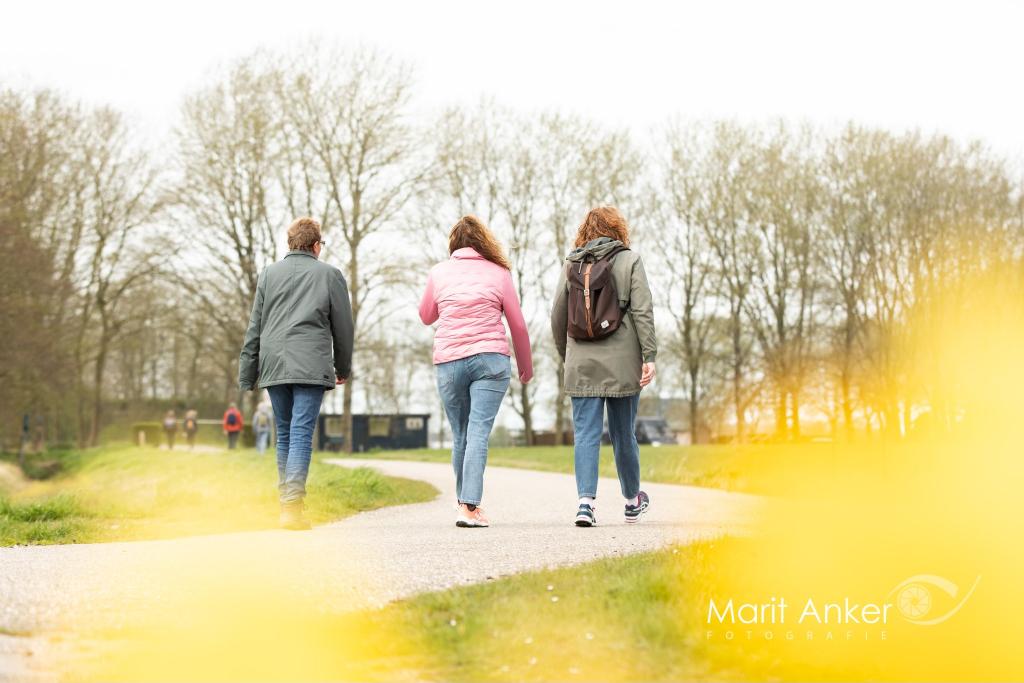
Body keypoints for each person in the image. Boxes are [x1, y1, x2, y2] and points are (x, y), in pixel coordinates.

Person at [239, 217, 354, 530]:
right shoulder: (330, 275)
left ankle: (286, 505)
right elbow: (343, 327)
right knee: (301, 433)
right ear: (316, 245)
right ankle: (292, 508)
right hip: (311, 364)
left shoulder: (268, 274)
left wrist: (247, 372)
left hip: (274, 363)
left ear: (290, 244)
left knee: (285, 434)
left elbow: (255, 326)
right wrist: (342, 367)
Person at [419, 215, 533, 528]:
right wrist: (525, 368)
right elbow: (518, 326)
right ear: (484, 242)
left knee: (461, 435)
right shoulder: (499, 273)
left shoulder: (439, 272)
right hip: (490, 361)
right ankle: (469, 507)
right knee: (478, 432)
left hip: (450, 361)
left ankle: (464, 506)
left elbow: (426, 316)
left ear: (453, 244)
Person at [551, 207, 657, 527]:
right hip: (623, 362)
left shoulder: (571, 263)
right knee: (624, 434)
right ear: (618, 229)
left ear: (585, 231)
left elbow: (557, 315)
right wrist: (649, 356)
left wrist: (567, 356)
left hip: (582, 362)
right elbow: (642, 311)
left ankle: (585, 505)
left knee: (585, 434)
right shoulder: (630, 260)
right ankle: (632, 501)